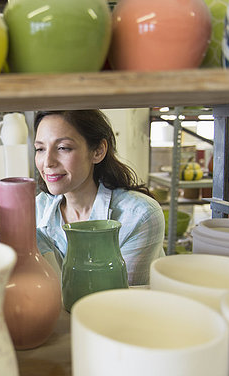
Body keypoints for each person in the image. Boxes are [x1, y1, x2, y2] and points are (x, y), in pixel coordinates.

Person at [34, 110, 165, 286]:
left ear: (98, 151)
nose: (47, 162)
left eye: (63, 148)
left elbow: (119, 301)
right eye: (40, 149)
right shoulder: (36, 209)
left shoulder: (138, 216)